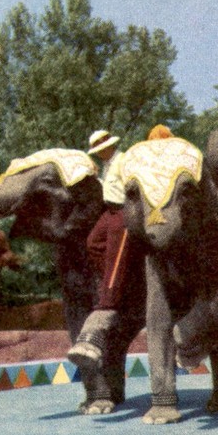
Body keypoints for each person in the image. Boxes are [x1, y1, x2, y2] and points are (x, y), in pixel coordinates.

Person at [66, 129, 138, 380]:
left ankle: (109, 298)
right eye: (96, 152)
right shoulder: (107, 165)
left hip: (123, 212)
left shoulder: (123, 160)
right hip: (109, 212)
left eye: (101, 150)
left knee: (116, 254)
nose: (99, 154)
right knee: (93, 243)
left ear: (110, 146)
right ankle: (109, 277)